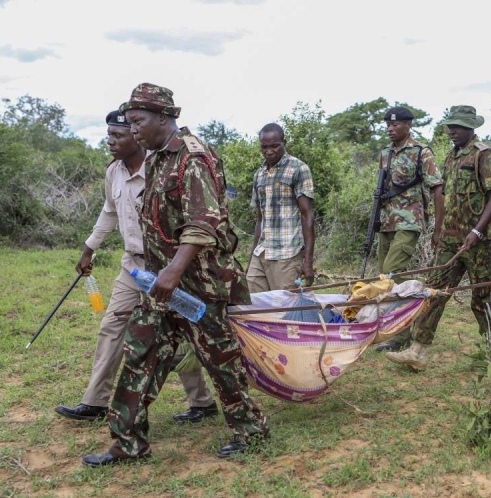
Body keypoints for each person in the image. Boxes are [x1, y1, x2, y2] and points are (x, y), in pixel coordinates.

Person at [82, 83, 268, 466]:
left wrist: (173, 270)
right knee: (139, 354)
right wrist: (159, 274)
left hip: (200, 285)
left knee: (221, 361)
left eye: (138, 121)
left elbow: (203, 222)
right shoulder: (156, 160)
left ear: (164, 117)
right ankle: (128, 443)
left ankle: (251, 430)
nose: (134, 130)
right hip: (162, 285)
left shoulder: (193, 158)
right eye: (130, 123)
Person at [54, 110, 218, 425]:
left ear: (135, 135)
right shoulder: (113, 172)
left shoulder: (162, 168)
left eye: (117, 135)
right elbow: (109, 211)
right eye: (109, 135)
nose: (110, 141)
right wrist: (89, 249)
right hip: (132, 266)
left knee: (178, 331)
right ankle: (94, 402)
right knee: (112, 326)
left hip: (167, 266)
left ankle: (202, 402)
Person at [385, 105, 491, 370]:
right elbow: (444, 197)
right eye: (450, 126)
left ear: (471, 127)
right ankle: (418, 350)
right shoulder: (451, 157)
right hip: (451, 240)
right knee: (434, 292)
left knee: (482, 297)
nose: (452, 131)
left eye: (458, 127)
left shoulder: (484, 155)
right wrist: (438, 230)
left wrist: (477, 231)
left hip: (479, 242)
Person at [373, 106, 444, 353]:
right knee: (384, 276)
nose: (390, 129)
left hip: (410, 221)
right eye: (388, 125)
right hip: (387, 221)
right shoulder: (385, 153)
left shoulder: (421, 152)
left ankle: (403, 329)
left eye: (395, 124)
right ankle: (393, 326)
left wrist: (437, 228)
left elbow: (437, 188)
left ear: (408, 125)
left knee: (392, 272)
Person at [247, 123, 315, 292]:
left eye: (275, 146)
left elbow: (307, 215)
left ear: (284, 143)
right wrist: (251, 257)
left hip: (287, 254)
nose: (269, 151)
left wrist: (308, 261)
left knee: (284, 305)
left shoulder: (298, 169)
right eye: (264, 147)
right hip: (261, 252)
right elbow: (260, 219)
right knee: (252, 302)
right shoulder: (259, 174)